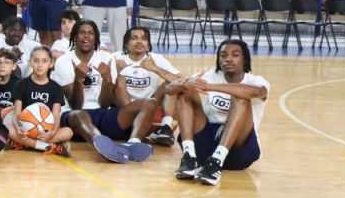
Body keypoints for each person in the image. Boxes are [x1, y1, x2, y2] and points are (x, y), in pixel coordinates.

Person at [52, 18, 152, 165]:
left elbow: (105, 104)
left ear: (96, 38)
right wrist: (78, 80)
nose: (86, 36)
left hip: (102, 114)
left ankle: (133, 143)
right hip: (76, 120)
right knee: (78, 114)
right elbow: (75, 105)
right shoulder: (63, 61)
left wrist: (107, 81)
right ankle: (101, 143)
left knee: (149, 103)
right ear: (74, 36)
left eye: (90, 33)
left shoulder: (106, 58)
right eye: (82, 32)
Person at [171, 39, 268, 187]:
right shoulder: (209, 75)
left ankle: (217, 161)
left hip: (238, 149)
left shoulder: (256, 81)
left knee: (241, 98)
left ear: (245, 59)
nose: (228, 59)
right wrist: (185, 84)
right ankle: (189, 156)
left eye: (235, 55)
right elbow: (169, 89)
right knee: (186, 91)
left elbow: (255, 92)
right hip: (207, 144)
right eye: (223, 55)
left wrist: (209, 87)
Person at [7, 46, 73, 156]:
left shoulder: (56, 88)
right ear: (30, 62)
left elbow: (56, 116)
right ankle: (47, 146)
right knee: (8, 129)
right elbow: (16, 113)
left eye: (44, 61)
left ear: (51, 63)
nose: (40, 65)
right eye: (36, 61)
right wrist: (18, 128)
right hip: (26, 130)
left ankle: (25, 144)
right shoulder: (21, 84)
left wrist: (52, 133)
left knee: (68, 132)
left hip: (46, 132)